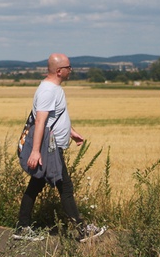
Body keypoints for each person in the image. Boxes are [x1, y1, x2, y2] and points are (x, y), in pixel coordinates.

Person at [13, 53, 106, 242]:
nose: (70, 70)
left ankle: (22, 228)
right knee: (65, 187)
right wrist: (36, 151)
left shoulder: (54, 89)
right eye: (68, 67)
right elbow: (40, 121)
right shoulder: (48, 91)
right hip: (48, 149)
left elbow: (55, 117)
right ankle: (82, 230)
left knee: (35, 185)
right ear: (59, 71)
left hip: (51, 147)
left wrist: (71, 132)